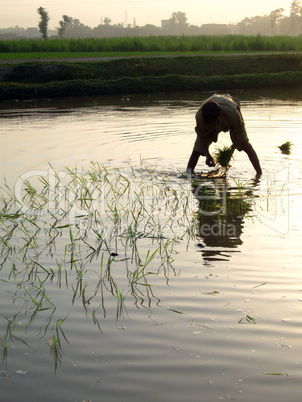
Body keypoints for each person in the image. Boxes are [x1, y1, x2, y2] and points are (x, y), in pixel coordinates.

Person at [186, 93, 262, 175]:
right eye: (210, 123)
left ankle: (259, 173)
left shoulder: (233, 114)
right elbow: (202, 138)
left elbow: (238, 139)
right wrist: (207, 155)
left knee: (245, 144)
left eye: (214, 122)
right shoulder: (200, 118)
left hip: (229, 109)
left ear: (219, 115)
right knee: (197, 150)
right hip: (212, 112)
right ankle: (188, 174)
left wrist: (229, 153)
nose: (212, 125)